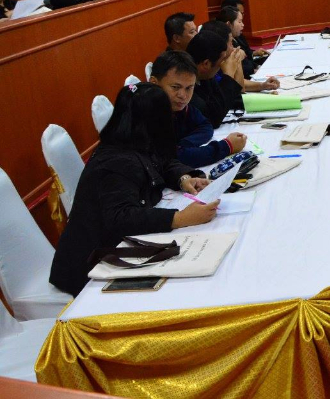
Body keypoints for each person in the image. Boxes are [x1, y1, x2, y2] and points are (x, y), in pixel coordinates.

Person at [49, 82, 219, 296]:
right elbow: (121, 217)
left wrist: (183, 178)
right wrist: (179, 218)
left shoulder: (134, 139)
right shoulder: (116, 162)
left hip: (118, 248)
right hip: (90, 267)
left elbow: (163, 161)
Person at [149, 51, 246, 168]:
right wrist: (227, 146)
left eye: (189, 88)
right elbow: (177, 158)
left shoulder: (178, 106)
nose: (183, 95)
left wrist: (184, 145)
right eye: (175, 87)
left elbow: (205, 125)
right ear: (154, 83)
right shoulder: (147, 112)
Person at [186, 27, 244, 127]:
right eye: (222, 61)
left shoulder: (205, 76)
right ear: (206, 64)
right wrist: (228, 75)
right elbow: (213, 118)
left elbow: (226, 99)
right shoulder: (186, 83)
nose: (223, 65)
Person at [221, 0, 269, 64]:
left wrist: (253, 53)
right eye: (240, 13)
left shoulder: (237, 32)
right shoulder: (225, 40)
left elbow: (246, 51)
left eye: (242, 13)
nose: (242, 24)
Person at [216, 6, 257, 78]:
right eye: (239, 22)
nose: (243, 25)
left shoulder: (238, 36)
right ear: (228, 24)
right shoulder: (223, 45)